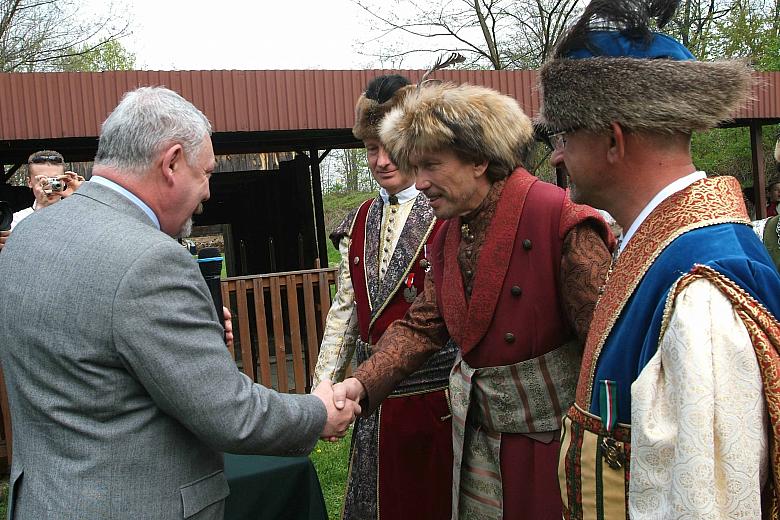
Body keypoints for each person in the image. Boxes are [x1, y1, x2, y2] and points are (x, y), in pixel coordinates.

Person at [0, 86, 359, 519]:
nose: (208, 192)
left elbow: (87, 352)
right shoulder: (151, 260)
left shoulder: (26, 238)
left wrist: (191, 337)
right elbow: (230, 413)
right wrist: (316, 413)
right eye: (205, 173)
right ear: (171, 162)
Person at [537, 0, 780, 517]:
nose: (556, 155)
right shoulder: (663, 251)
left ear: (611, 138)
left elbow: (710, 504)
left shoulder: (702, 288)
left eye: (563, 134)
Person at [334, 81, 614, 519]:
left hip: (553, 454)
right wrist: (360, 384)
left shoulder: (561, 220)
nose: (420, 183)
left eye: (430, 165)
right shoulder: (448, 233)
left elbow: (609, 351)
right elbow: (424, 323)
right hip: (480, 449)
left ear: (480, 159)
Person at [312, 74, 455, 520]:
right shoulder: (356, 222)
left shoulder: (447, 212)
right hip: (371, 406)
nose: (381, 160)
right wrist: (324, 385)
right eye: (371, 148)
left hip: (435, 404)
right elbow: (345, 308)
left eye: (390, 146)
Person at [0, 150, 83, 251]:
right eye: (43, 180)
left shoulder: (79, 215)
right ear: (29, 182)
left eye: (55, 180)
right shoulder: (14, 223)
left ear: (64, 181)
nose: (49, 185)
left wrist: (80, 200)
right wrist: (41, 207)